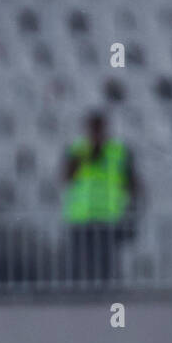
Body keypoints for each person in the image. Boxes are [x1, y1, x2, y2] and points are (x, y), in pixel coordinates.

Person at [61, 112, 138, 285]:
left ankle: (106, 297)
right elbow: (66, 177)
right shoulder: (76, 150)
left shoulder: (119, 151)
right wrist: (83, 157)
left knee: (107, 265)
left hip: (109, 216)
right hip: (81, 216)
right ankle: (82, 299)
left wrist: (131, 208)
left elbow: (132, 182)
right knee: (81, 264)